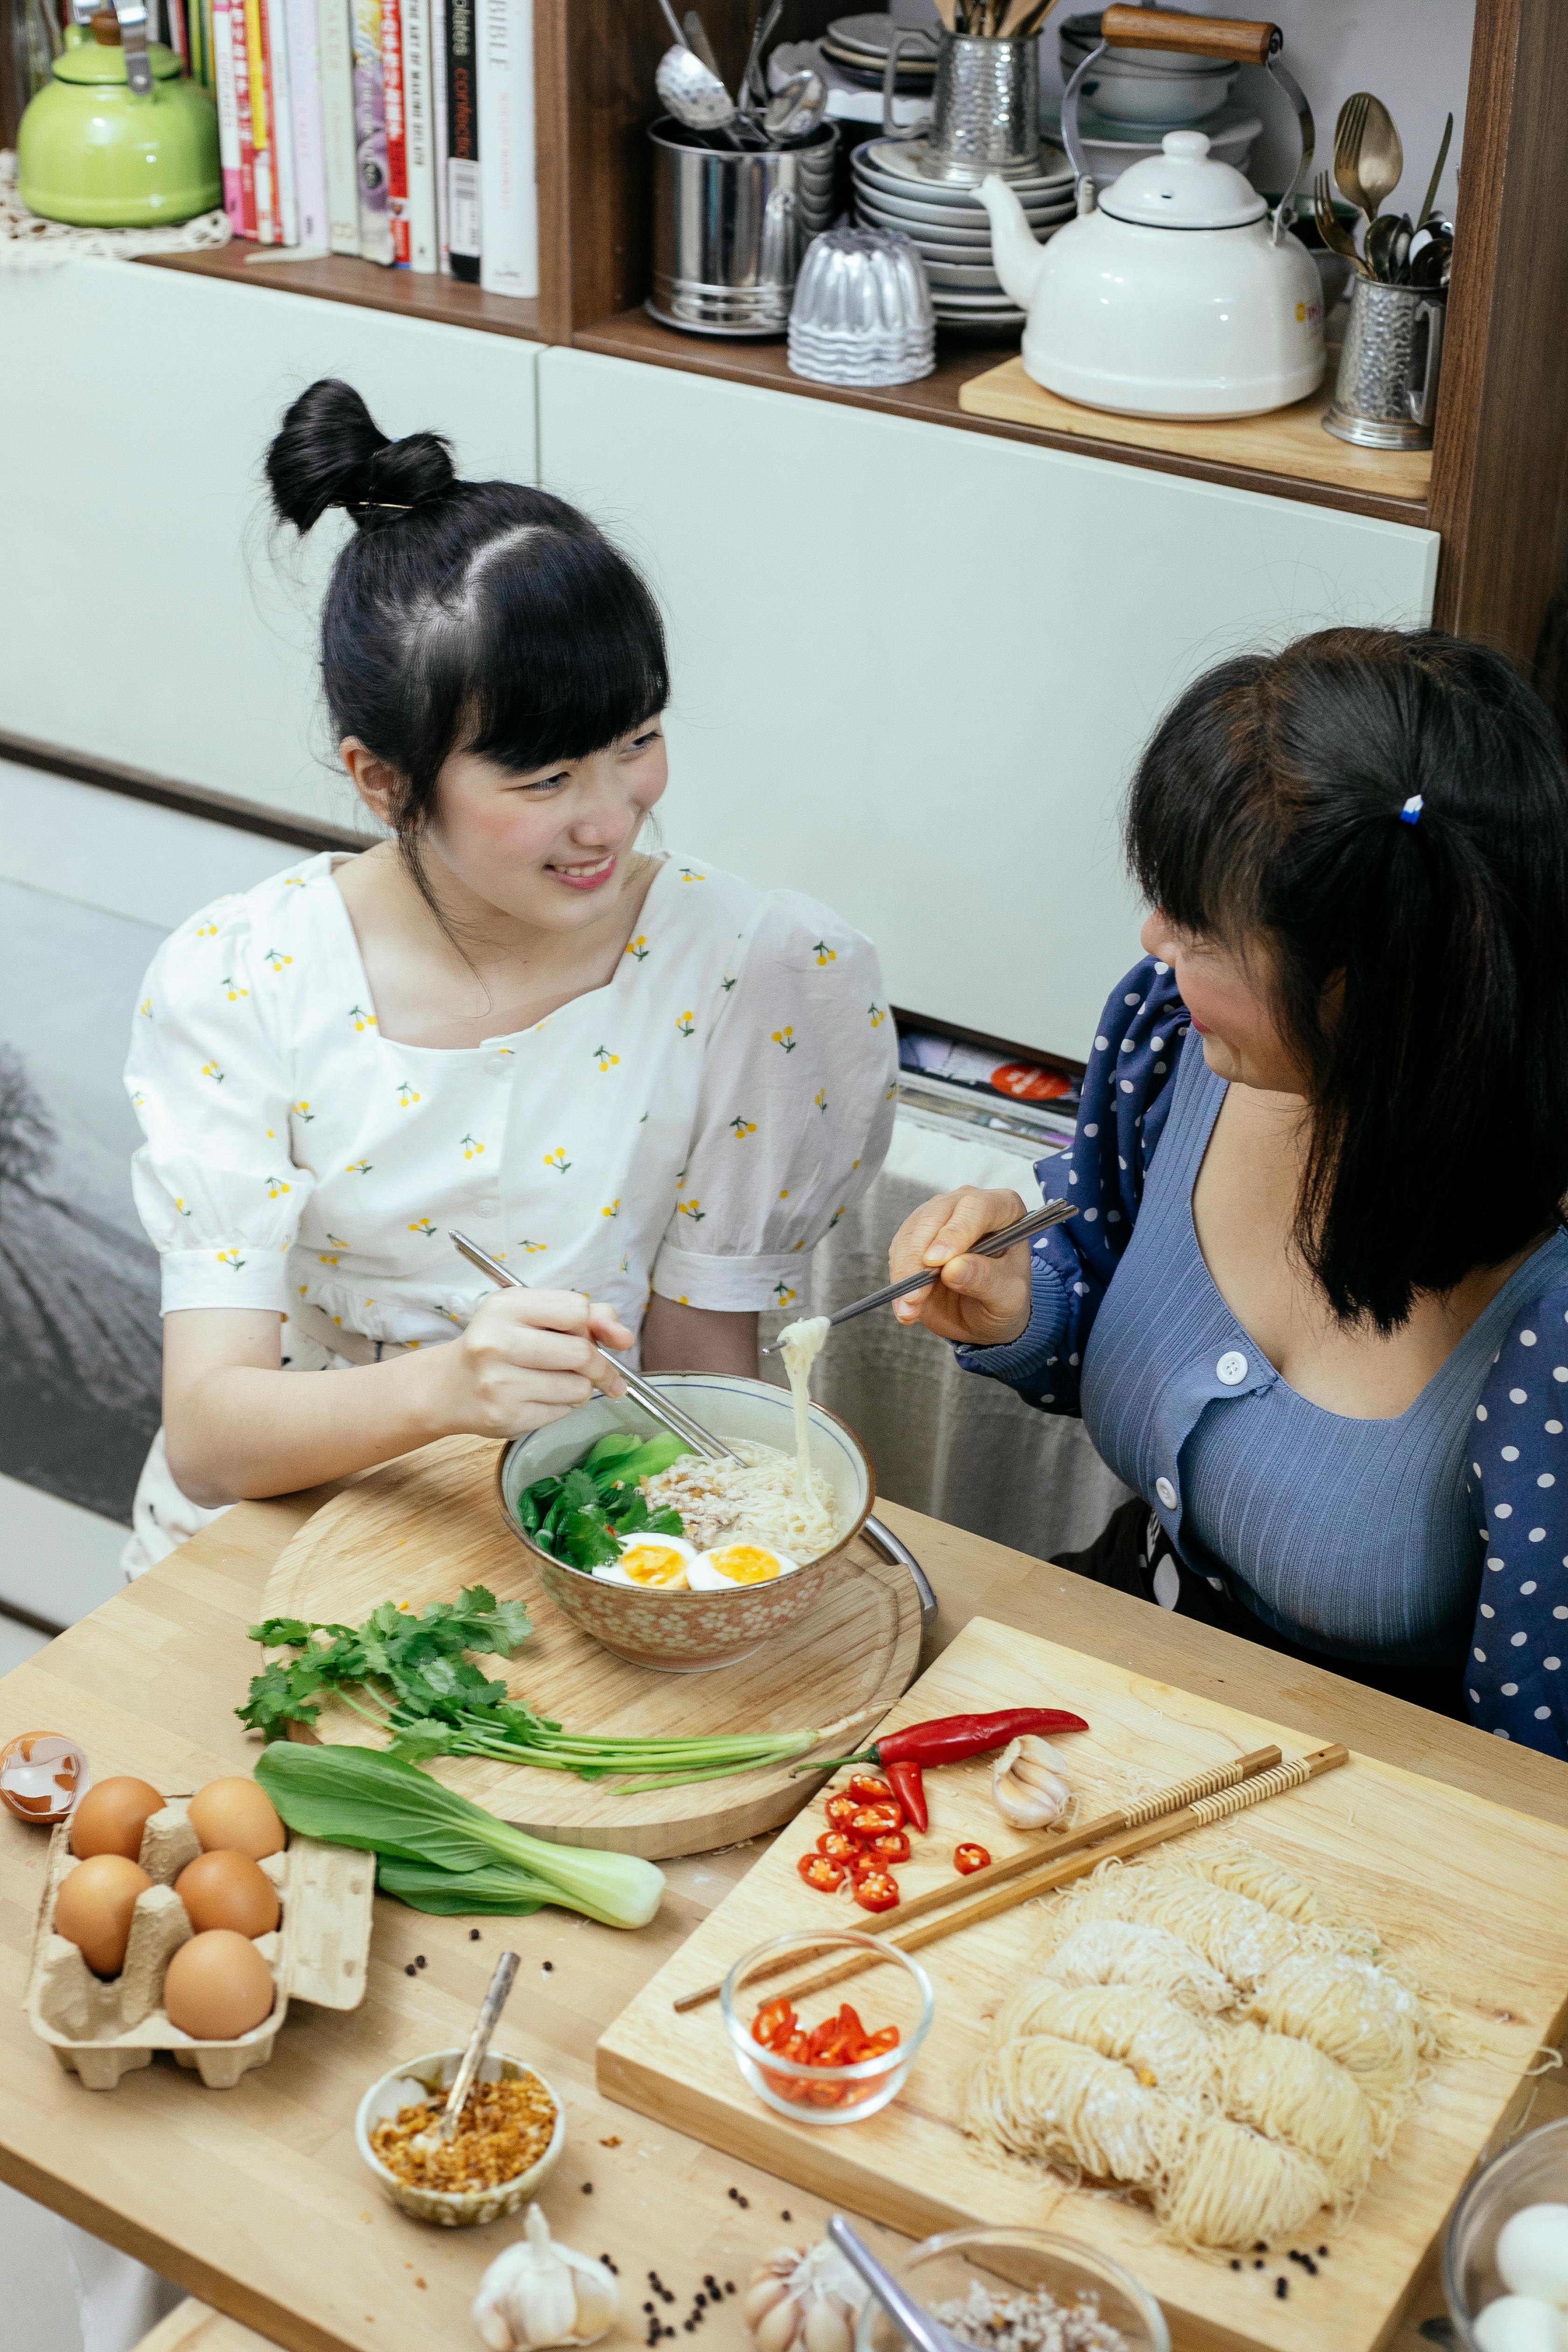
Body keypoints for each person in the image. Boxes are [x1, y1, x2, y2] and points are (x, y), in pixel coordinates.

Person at [122, 378, 896, 1569]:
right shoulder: (246, 978)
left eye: (635, 741)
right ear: (384, 780)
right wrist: (450, 1387)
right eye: (543, 781)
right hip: (265, 1546)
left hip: (587, 1537)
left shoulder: (757, 974)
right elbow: (211, 1438)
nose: (609, 819)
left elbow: (701, 1386)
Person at [889, 626, 1568, 1758]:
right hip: (1113, 1677)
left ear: (1361, 990)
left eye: (1201, 932)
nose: (1156, 944)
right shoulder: (1172, 1038)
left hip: (1379, 1808)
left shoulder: (1547, 1312)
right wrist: (1022, 1306)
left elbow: (1531, 1788)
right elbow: (1096, 1293)